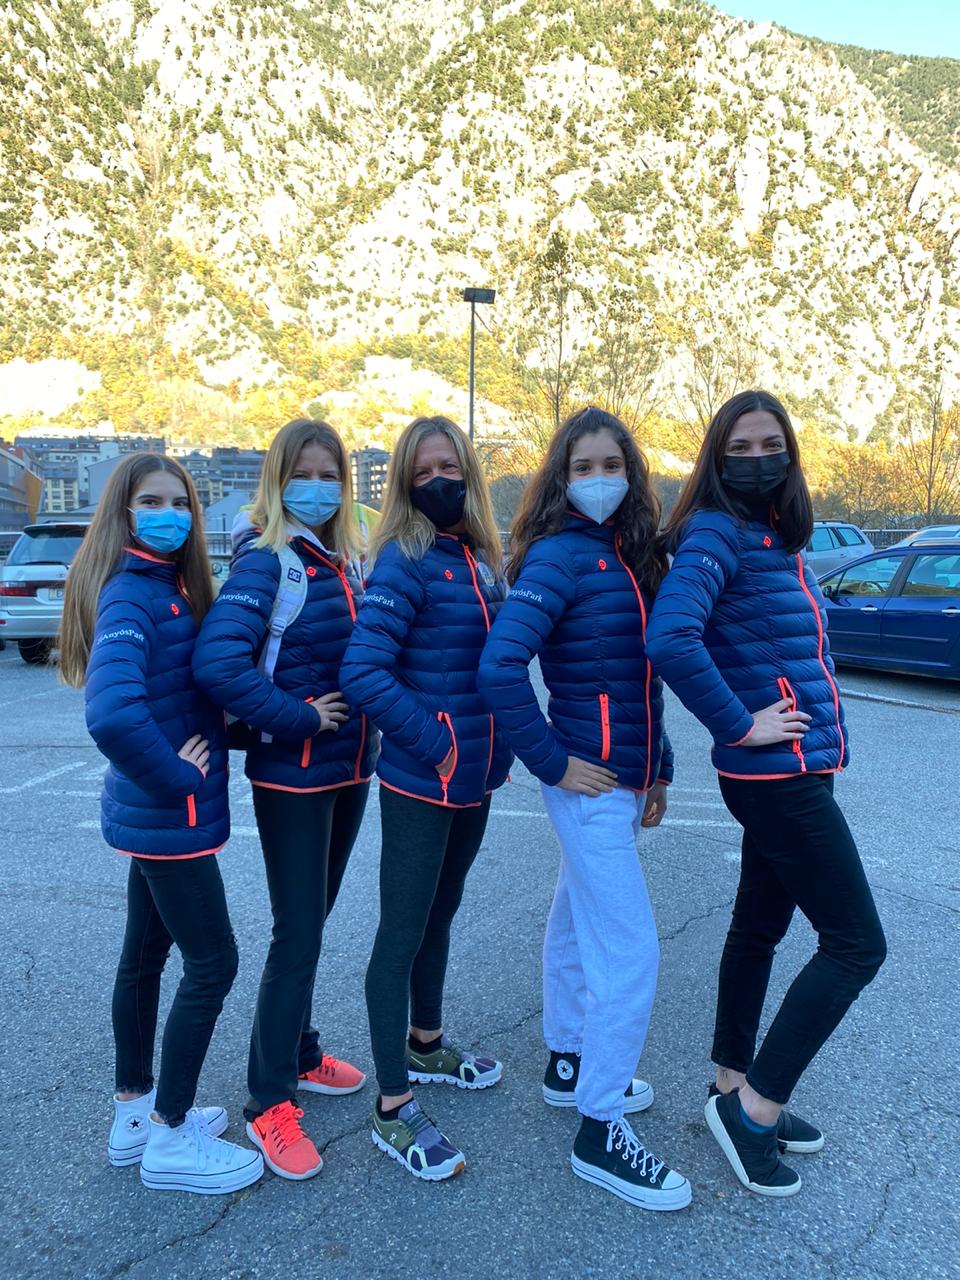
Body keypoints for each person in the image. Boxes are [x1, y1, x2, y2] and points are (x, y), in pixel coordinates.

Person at [645, 389, 886, 1198]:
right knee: (856, 944)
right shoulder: (717, 531)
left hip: (791, 771)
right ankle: (754, 1113)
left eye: (770, 444)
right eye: (740, 447)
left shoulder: (771, 536)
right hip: (777, 777)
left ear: (790, 453)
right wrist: (738, 723)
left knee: (758, 926)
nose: (758, 459)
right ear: (717, 459)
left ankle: (730, 1084)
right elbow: (670, 636)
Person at [477, 406, 692, 1211]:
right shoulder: (560, 558)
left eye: (612, 466)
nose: (600, 480)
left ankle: (570, 1062)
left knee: (573, 924)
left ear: (631, 476)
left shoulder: (629, 558)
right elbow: (500, 668)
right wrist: (554, 761)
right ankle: (600, 1129)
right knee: (630, 952)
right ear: (560, 479)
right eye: (583, 467)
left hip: (622, 781)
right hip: (587, 784)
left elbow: (643, 678)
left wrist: (658, 769)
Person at [60, 453, 263, 1195]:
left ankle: (135, 1115)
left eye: (181, 503)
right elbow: (113, 716)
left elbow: (170, 693)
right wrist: (182, 777)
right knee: (214, 963)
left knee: (143, 958)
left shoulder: (163, 585)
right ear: (123, 511)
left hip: (153, 818)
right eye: (152, 501)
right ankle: (173, 1135)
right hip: (166, 815)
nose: (170, 514)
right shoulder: (132, 594)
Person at [193, 419, 377, 1181]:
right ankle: (268, 1100)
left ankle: (300, 1053)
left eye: (330, 474)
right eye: (303, 473)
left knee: (313, 924)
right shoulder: (270, 561)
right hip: (294, 777)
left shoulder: (337, 558)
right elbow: (219, 665)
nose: (318, 486)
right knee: (296, 935)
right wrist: (300, 718)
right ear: (277, 480)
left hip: (348, 771)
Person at [340, 414, 512, 1181]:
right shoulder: (404, 560)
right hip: (423, 780)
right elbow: (363, 671)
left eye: (450, 467)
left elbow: (496, 667)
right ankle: (392, 1105)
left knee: (441, 914)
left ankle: (427, 1043)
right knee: (401, 933)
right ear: (406, 485)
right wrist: (437, 742)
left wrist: (499, 748)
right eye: (422, 472)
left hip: (474, 780)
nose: (439, 481)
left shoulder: (477, 558)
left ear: (468, 472)